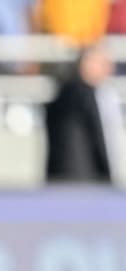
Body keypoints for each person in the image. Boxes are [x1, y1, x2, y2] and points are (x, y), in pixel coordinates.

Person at [45, 43, 122, 185]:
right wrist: (109, 177)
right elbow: (99, 140)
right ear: (87, 63)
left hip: (65, 180)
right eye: (102, 63)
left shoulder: (65, 91)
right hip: (82, 182)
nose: (109, 69)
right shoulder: (80, 94)